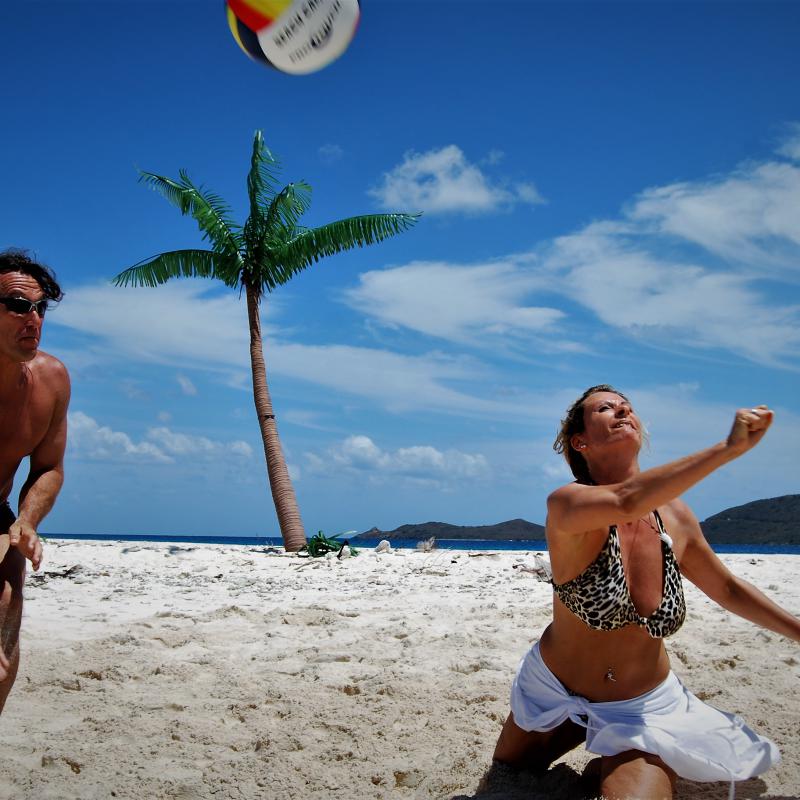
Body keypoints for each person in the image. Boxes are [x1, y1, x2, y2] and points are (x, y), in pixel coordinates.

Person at [493, 385, 800, 800]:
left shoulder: (675, 516)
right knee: (509, 769)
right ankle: (593, 747)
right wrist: (727, 449)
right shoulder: (567, 504)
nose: (623, 411)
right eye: (606, 408)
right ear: (580, 441)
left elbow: (727, 587)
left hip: (638, 709)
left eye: (628, 407)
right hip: (552, 692)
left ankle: (617, 759)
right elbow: (625, 501)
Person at [0, 249, 70, 713]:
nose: (34, 319)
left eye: (40, 308)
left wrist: (26, 520)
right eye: (18, 305)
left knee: (4, 639)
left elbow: (49, 468)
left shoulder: (52, 380)